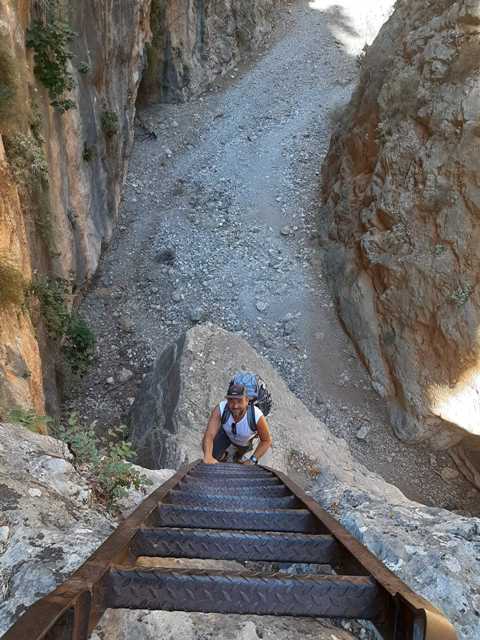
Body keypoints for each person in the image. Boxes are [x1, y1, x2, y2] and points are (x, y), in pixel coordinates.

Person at [202, 382, 272, 465]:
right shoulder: (221, 409)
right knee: (212, 452)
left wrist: (252, 460)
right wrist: (208, 456)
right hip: (226, 435)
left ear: (247, 400)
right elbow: (209, 435)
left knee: (239, 455)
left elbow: (266, 440)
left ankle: (237, 456)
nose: (235, 405)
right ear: (227, 400)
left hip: (244, 441)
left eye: (239, 401)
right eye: (231, 400)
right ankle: (224, 456)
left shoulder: (256, 416)